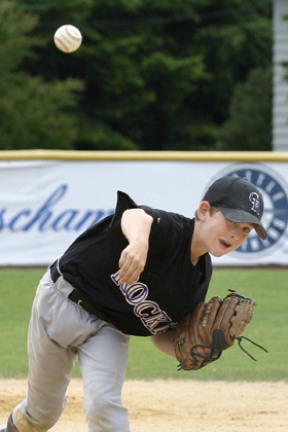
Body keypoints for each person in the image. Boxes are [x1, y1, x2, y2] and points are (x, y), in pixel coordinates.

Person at [0, 175, 266, 432]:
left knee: (105, 405)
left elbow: (162, 334)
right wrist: (139, 243)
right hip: (62, 301)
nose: (236, 234)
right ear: (204, 210)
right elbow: (134, 215)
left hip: (109, 327)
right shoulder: (170, 230)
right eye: (231, 221)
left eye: (245, 230)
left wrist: (197, 350)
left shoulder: (197, 280)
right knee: (41, 415)